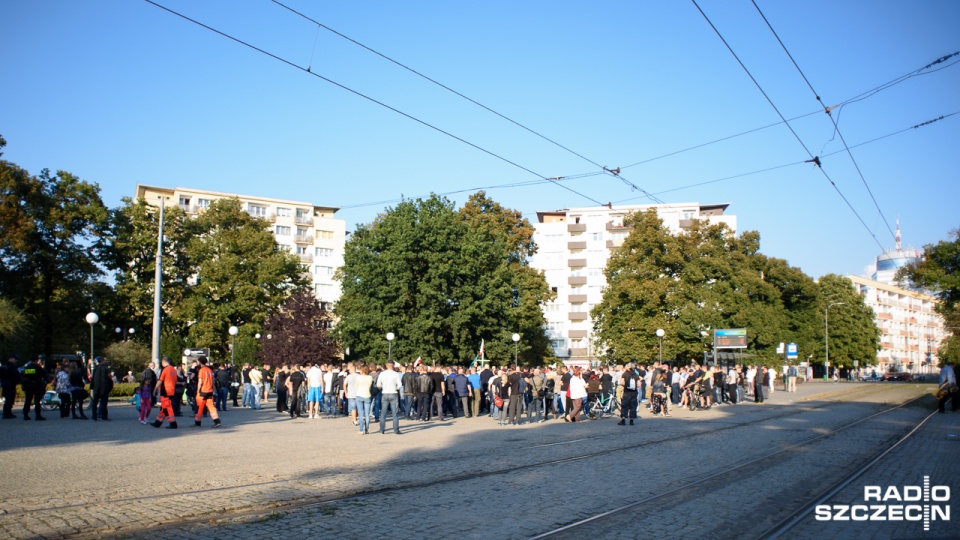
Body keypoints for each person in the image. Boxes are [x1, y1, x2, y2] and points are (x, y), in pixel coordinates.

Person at [150, 357, 179, 429]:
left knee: (167, 408)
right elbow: (175, 380)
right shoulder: (173, 370)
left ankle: (173, 423)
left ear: (163, 362)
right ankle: (158, 422)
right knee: (164, 407)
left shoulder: (165, 369)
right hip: (172, 390)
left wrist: (155, 389)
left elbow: (160, 380)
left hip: (165, 390)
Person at [194, 356, 221, 428]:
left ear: (199, 362)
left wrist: (197, 391)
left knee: (200, 406)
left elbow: (200, 382)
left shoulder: (201, 370)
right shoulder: (209, 370)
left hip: (203, 391)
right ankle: (216, 420)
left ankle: (198, 422)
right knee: (211, 406)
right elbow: (212, 381)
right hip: (209, 390)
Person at [377, 361, 403, 435]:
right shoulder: (396, 374)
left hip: (384, 393)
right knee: (395, 413)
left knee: (383, 412)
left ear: (386, 365)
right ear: (393, 366)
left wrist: (382, 388)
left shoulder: (382, 374)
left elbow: (378, 384)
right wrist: (396, 388)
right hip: (393, 393)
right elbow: (400, 385)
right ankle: (396, 430)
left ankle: (382, 430)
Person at [21, 355, 47, 421]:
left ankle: (25, 415)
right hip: (36, 385)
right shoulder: (38, 367)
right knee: (37, 401)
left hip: (28, 386)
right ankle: (38, 415)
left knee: (28, 400)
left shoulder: (27, 367)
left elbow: (24, 376)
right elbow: (43, 375)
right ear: (36, 360)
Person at [90, 356, 113, 421]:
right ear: (102, 361)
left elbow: (93, 378)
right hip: (104, 387)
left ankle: (94, 415)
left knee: (95, 401)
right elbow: (110, 376)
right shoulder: (106, 368)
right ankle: (104, 416)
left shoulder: (95, 368)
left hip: (96, 387)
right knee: (104, 402)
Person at [1, 354, 21, 419]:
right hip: (10, 384)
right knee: (9, 399)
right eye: (15, 359)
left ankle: (8, 413)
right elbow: (15, 375)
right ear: (10, 359)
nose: (16, 360)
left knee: (9, 399)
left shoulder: (4, 366)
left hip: (5, 384)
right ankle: (7, 413)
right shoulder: (11, 366)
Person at [355, 365, 373, 435]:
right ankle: (367, 429)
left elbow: (356, 386)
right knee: (367, 414)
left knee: (361, 413)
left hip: (359, 394)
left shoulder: (358, 377)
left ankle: (361, 429)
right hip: (367, 395)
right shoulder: (370, 377)